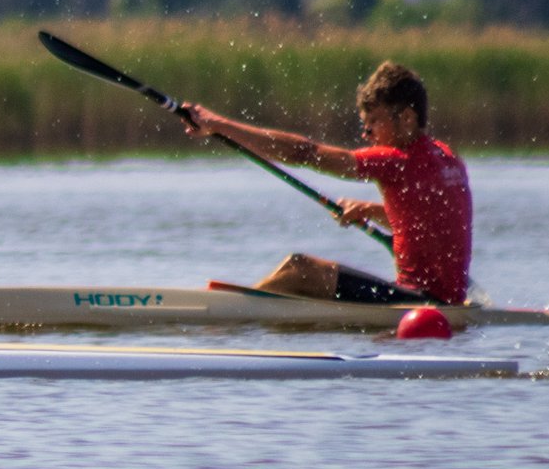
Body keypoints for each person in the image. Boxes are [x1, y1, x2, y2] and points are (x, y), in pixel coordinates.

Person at [181, 60, 471, 304]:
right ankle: (254, 312)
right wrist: (370, 211)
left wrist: (217, 125)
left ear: (407, 118)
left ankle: (231, 316)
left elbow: (304, 153)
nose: (366, 135)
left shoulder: (397, 161)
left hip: (417, 302)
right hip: (443, 299)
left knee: (299, 269)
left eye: (373, 123)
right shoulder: (448, 158)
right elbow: (426, 221)